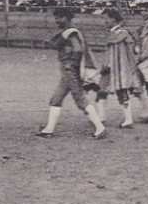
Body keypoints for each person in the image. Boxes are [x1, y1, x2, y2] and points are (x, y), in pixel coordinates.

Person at [38, 7, 106, 138]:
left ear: (66, 18)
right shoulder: (69, 32)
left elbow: (78, 49)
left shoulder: (71, 32)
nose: (56, 20)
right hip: (67, 70)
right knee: (56, 99)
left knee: (80, 99)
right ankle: (49, 129)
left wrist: (70, 60)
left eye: (59, 17)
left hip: (70, 70)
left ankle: (100, 127)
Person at [98, 8, 141, 128]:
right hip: (115, 66)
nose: (105, 21)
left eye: (106, 19)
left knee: (118, 91)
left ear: (113, 19)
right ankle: (101, 118)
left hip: (118, 66)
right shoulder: (123, 33)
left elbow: (130, 51)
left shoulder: (120, 33)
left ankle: (127, 119)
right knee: (104, 90)